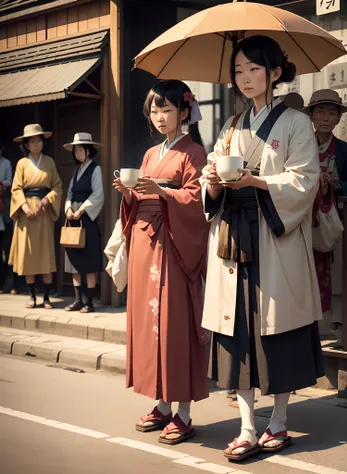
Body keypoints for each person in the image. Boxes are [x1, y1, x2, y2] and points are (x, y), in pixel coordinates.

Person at [201, 35, 324, 462]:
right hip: (234, 239)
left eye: (255, 69)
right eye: (238, 71)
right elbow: (209, 172)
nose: (245, 78)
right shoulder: (231, 126)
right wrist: (213, 182)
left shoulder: (296, 123)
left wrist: (258, 183)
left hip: (274, 237)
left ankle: (279, 420)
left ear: (275, 73)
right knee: (238, 332)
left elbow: (305, 180)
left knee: (277, 331)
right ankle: (247, 425)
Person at [114, 80, 209, 445]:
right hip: (145, 242)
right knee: (148, 322)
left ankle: (183, 413)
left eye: (167, 109)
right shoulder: (151, 154)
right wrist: (129, 195)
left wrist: (162, 192)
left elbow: (197, 200)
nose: (159, 116)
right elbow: (142, 196)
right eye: (154, 110)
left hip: (173, 245)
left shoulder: (194, 153)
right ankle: (162, 403)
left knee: (174, 324)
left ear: (185, 112)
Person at [303, 89, 347, 346]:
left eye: (332, 112)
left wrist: (337, 185)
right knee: (306, 272)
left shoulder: (345, 151)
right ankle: (308, 326)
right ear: (311, 116)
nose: (326, 117)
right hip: (305, 221)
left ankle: (333, 323)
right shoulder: (301, 147)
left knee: (335, 273)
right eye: (320, 111)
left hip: (334, 222)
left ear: (339, 118)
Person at [9, 124, 62, 309]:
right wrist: (23, 206)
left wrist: (47, 200)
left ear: (43, 142)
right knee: (28, 255)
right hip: (26, 214)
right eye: (32, 141)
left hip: (43, 212)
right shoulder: (22, 164)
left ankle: (46, 297)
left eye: (39, 140)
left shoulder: (49, 162)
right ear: (26, 144)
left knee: (45, 254)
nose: (36, 144)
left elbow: (57, 186)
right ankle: (32, 296)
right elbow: (16, 188)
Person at [63, 133, 104, 313]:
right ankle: (78, 300)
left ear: (89, 150)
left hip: (87, 219)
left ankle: (89, 302)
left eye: (81, 149)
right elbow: (70, 193)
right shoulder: (76, 170)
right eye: (76, 150)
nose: (78, 153)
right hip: (73, 220)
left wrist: (81, 210)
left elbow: (98, 194)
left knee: (89, 263)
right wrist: (68, 209)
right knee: (74, 262)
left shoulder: (96, 169)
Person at [0, 139, 13, 293]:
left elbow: (10, 180)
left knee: (5, 248)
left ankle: (4, 283)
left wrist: (2, 184)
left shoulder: (6, 163)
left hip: (3, 202)